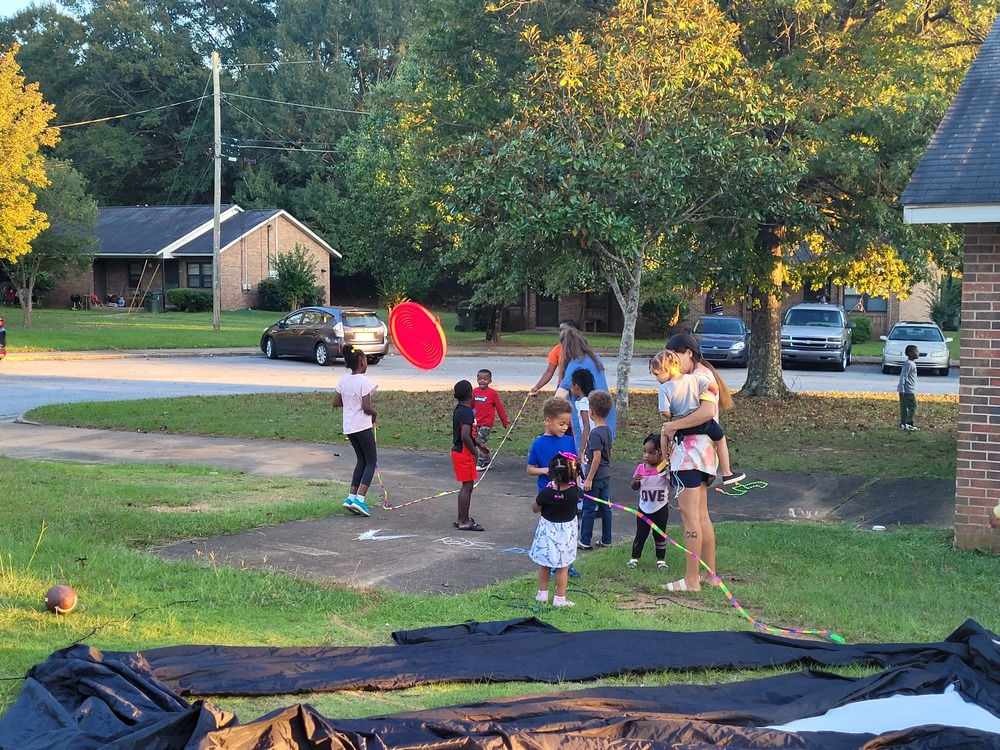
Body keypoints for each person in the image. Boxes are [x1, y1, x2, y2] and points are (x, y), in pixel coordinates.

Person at [661, 333, 729, 593]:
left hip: (692, 456)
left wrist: (673, 426)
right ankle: (710, 576)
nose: (671, 365)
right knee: (700, 516)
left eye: (674, 358)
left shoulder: (701, 377)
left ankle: (691, 581)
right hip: (698, 456)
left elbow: (708, 412)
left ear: (689, 352)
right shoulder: (692, 378)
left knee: (690, 518)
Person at [649, 349, 745, 485]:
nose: (657, 379)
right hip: (703, 423)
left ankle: (665, 462)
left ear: (665, 370)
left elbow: (665, 413)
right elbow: (714, 387)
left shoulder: (665, 388)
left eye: (657, 374)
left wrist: (670, 415)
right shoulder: (695, 378)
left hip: (682, 425)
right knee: (721, 438)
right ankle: (727, 473)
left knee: (664, 432)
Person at [526, 396, 580, 578]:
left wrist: (577, 488)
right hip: (547, 493)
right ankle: (548, 565)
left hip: (569, 492)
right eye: (561, 424)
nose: (565, 428)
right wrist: (545, 470)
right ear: (548, 422)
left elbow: (574, 467)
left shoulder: (568, 441)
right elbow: (530, 469)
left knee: (568, 529)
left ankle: (566, 564)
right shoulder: (538, 443)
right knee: (550, 531)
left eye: (567, 424)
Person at [331, 346, 378, 518]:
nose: (366, 362)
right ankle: (360, 499)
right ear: (360, 362)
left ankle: (351, 497)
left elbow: (336, 402)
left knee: (361, 460)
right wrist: (374, 414)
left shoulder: (344, 380)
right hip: (362, 426)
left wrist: (350, 401)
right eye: (365, 359)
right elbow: (366, 407)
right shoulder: (364, 382)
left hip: (349, 427)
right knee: (371, 461)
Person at [529, 453, 581, 607]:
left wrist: (547, 491)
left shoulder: (546, 493)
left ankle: (542, 594)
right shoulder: (574, 493)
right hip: (566, 535)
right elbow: (578, 490)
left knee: (544, 564)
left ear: (551, 473)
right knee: (562, 567)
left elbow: (534, 509)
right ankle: (559, 599)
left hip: (547, 533)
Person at [555, 326, 616, 439]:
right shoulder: (596, 358)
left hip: (590, 415)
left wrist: (551, 415)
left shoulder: (576, 364)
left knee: (589, 451)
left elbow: (560, 394)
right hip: (606, 412)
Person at [627, 434, 670, 571]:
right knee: (641, 534)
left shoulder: (664, 470)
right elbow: (634, 487)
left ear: (660, 453)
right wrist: (636, 481)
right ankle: (634, 558)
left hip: (660, 508)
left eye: (651, 453)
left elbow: (674, 483)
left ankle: (661, 560)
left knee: (660, 535)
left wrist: (668, 472)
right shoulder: (641, 468)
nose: (647, 455)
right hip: (644, 509)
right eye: (645, 452)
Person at [452, 379, 489, 531]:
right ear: (471, 395)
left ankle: (461, 517)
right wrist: (475, 453)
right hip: (463, 453)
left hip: (458, 451)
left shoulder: (459, 409)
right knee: (467, 487)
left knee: (466, 486)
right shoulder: (467, 412)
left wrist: (479, 444)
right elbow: (465, 435)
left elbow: (468, 435)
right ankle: (465, 521)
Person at [579, 390, 613, 550]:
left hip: (596, 477)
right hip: (605, 475)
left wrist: (589, 478)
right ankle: (607, 539)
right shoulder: (607, 430)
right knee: (605, 507)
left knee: (589, 508)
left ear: (591, 412)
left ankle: (585, 540)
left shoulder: (595, 433)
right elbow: (609, 453)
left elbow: (597, 457)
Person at [529, 319, 579, 395]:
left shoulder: (580, 349)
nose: (561, 333)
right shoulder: (557, 349)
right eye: (560, 330)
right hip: (562, 386)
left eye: (563, 330)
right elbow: (549, 371)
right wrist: (537, 387)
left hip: (577, 386)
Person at [472, 368, 509, 470]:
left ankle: (484, 461)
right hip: (475, 422)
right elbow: (470, 406)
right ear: (477, 380)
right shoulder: (474, 391)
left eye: (485, 379)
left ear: (490, 381)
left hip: (486, 423)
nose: (482, 381)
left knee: (480, 441)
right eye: (480, 379)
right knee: (474, 441)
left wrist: (504, 422)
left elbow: (499, 408)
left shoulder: (492, 393)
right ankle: (486, 457)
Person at [568, 368, 595, 459]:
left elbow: (586, 426)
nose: (571, 390)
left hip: (591, 443)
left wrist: (581, 450)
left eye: (571, 387)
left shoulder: (583, 404)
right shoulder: (592, 401)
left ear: (576, 386)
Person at [898, 345, 919, 431]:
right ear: (910, 353)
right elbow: (903, 376)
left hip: (907, 389)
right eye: (916, 352)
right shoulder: (908, 364)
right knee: (913, 406)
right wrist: (901, 389)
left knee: (904, 406)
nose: (918, 353)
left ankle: (903, 423)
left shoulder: (911, 363)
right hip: (908, 390)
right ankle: (909, 423)